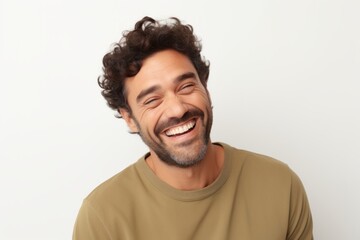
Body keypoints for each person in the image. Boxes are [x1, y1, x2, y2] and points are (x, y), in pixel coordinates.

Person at [73, 16, 313, 240]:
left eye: (186, 86)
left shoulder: (281, 186)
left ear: (205, 87)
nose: (177, 109)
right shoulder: (102, 217)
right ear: (129, 119)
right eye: (152, 100)